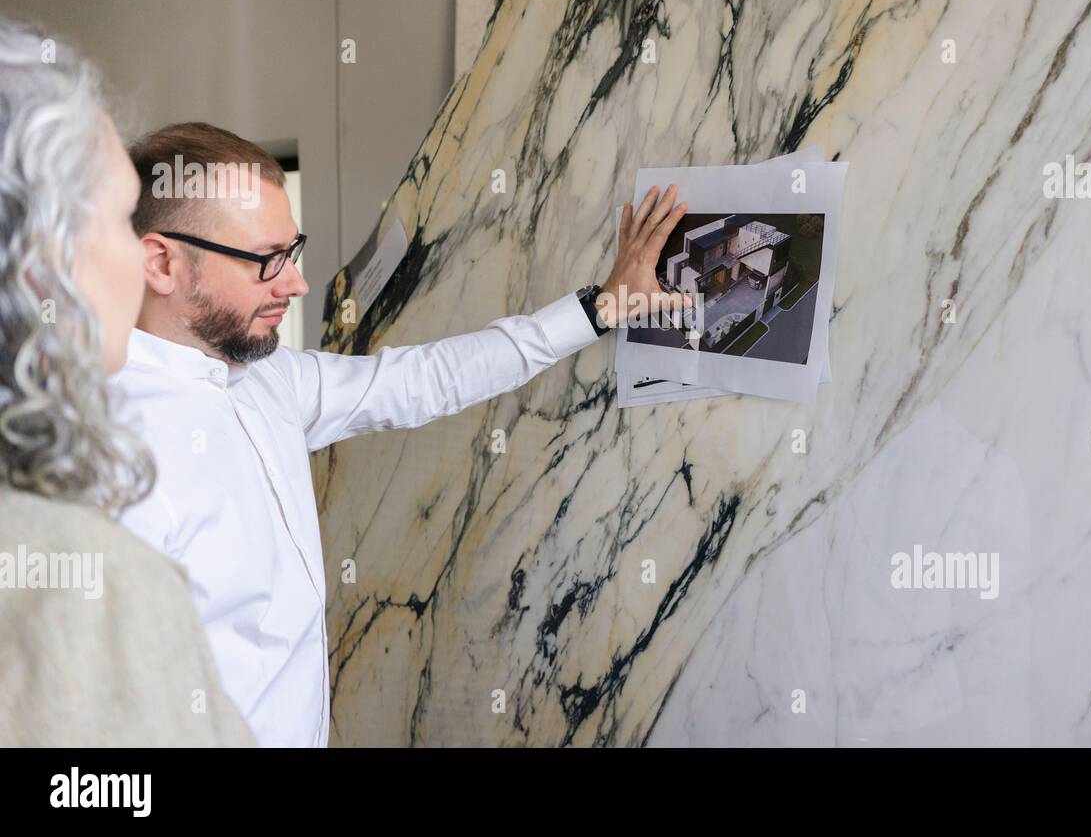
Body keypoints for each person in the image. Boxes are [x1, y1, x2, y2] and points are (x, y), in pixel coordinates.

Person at [113, 120, 689, 746]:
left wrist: (600, 308)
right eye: (266, 262)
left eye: (293, 251)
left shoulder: (272, 378)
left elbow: (424, 380)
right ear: (162, 262)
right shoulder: (109, 457)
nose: (298, 283)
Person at [0, 20, 252, 746]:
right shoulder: (91, 586)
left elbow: (406, 381)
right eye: (117, 216)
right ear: (38, 261)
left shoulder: (276, 385)